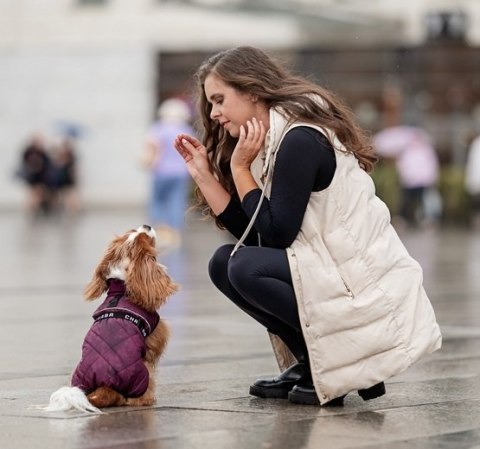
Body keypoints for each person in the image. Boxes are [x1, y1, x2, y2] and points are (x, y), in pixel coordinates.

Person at [174, 46, 442, 406]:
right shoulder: (268, 141)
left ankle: (342, 363)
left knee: (243, 266)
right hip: (326, 267)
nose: (213, 113)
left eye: (219, 100)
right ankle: (311, 363)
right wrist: (204, 176)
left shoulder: (300, 138)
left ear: (252, 91)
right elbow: (255, 234)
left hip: (359, 281)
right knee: (224, 263)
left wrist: (240, 169)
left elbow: (277, 234)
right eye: (210, 104)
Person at [143, 98, 194, 248]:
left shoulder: (158, 128)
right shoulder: (186, 130)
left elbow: (151, 147)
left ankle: (160, 231)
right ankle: (175, 234)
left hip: (160, 172)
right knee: (177, 201)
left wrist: (147, 162)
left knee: (158, 201)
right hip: (180, 173)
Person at [373, 125, 441, 228]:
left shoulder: (424, 148)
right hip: (409, 180)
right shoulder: (406, 144)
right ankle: (404, 218)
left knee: (423, 200)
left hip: (422, 180)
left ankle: (426, 219)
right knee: (407, 200)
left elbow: (431, 164)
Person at [17, 131, 53, 216]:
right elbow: (25, 165)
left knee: (43, 196)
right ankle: (31, 212)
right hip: (33, 178)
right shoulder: (28, 152)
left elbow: (48, 165)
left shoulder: (43, 153)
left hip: (43, 179)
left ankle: (39, 211)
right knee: (34, 196)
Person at [465, 133, 480, 227]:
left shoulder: (475, 144)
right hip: (476, 179)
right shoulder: (476, 144)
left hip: (476, 179)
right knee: (476, 203)